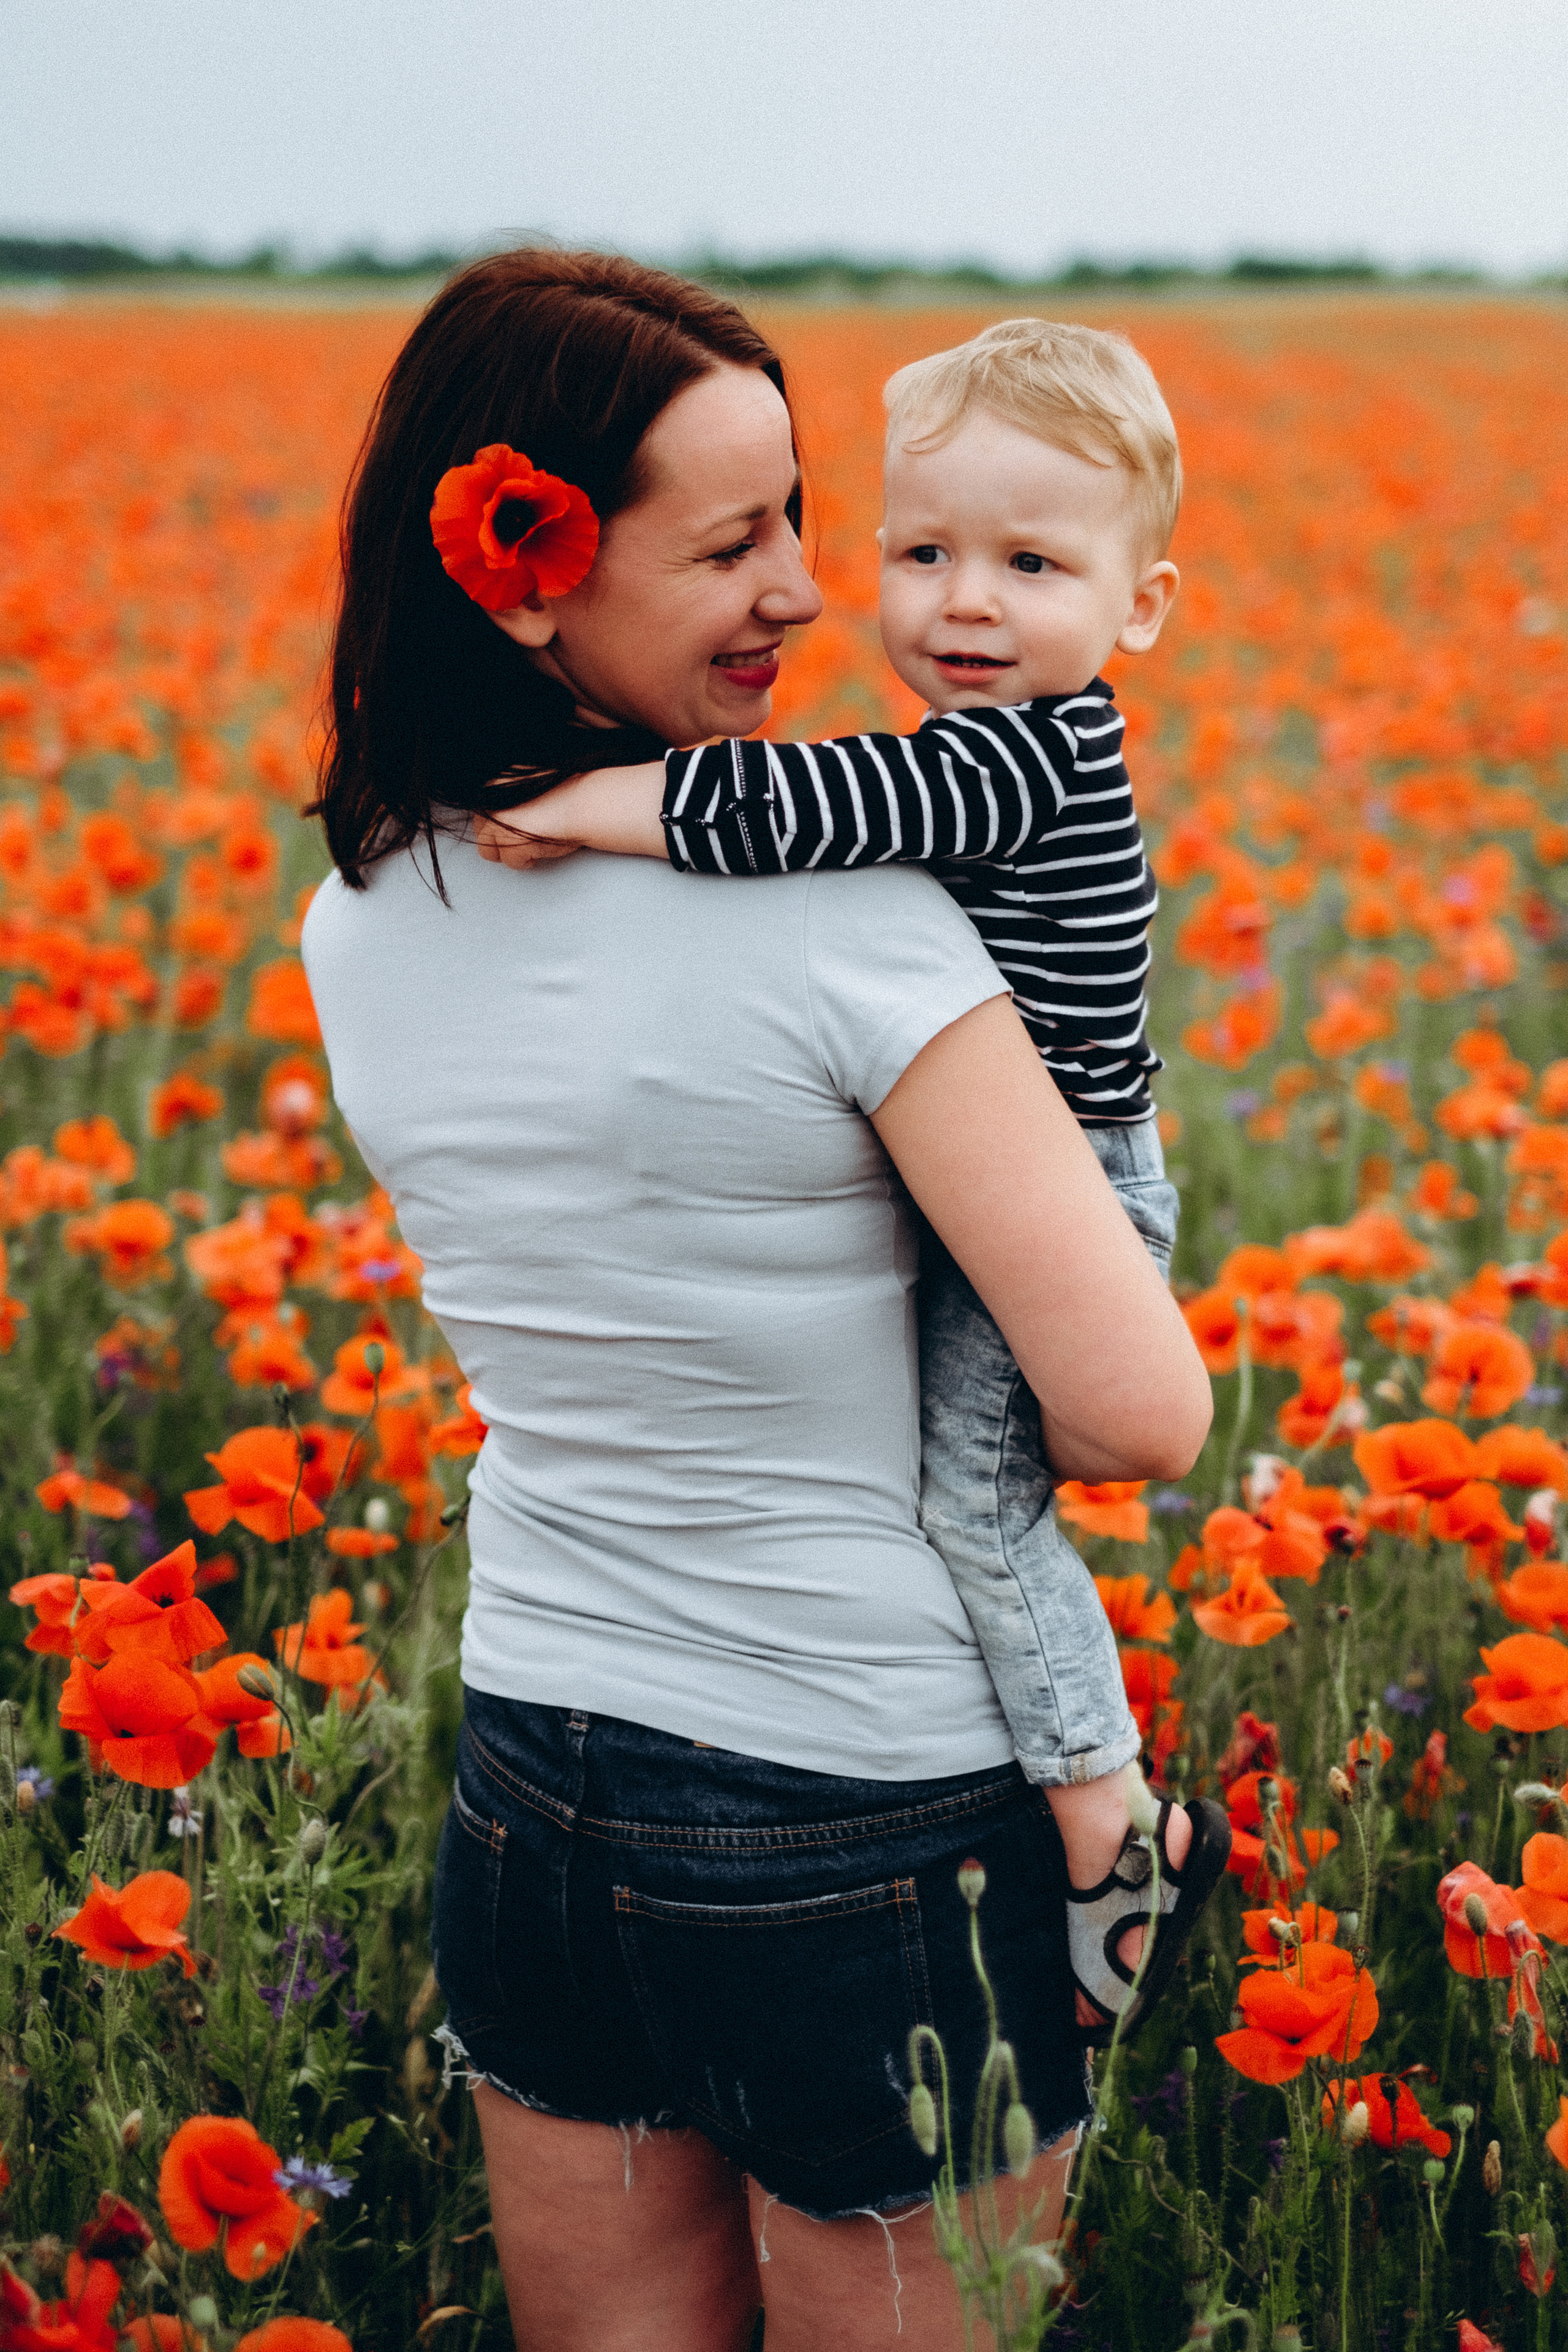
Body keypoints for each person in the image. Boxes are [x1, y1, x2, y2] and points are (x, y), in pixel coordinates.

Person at [303, 247, 1216, 2352]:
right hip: (866, 1814)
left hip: (535, 1779)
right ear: (527, 576)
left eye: (803, 520)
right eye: (734, 542)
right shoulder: (857, 933)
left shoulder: (359, 908)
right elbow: (1136, 1415)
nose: (810, 593)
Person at [468, 317, 1224, 2038]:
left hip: (1071, 1187)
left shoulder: (1018, 759)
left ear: (1143, 609)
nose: (966, 601)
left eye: (1031, 564)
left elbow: (780, 816)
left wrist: (591, 808)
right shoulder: (980, 761)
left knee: (974, 1500)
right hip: (1010, 1172)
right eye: (923, 553)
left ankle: (1112, 1816)